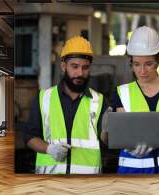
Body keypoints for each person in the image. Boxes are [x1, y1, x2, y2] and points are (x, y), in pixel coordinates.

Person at [112, 26, 159, 174]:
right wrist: (130, 144)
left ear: (158, 61)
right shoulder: (122, 92)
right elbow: (122, 135)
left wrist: (156, 122)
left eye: (148, 64)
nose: (142, 71)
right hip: (131, 173)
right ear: (131, 63)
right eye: (136, 64)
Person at [26, 36, 108, 174]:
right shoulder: (43, 98)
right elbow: (29, 137)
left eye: (85, 67)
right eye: (74, 67)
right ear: (64, 66)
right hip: (50, 181)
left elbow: (106, 142)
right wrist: (49, 149)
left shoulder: (99, 101)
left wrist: (110, 131)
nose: (80, 73)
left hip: (87, 184)